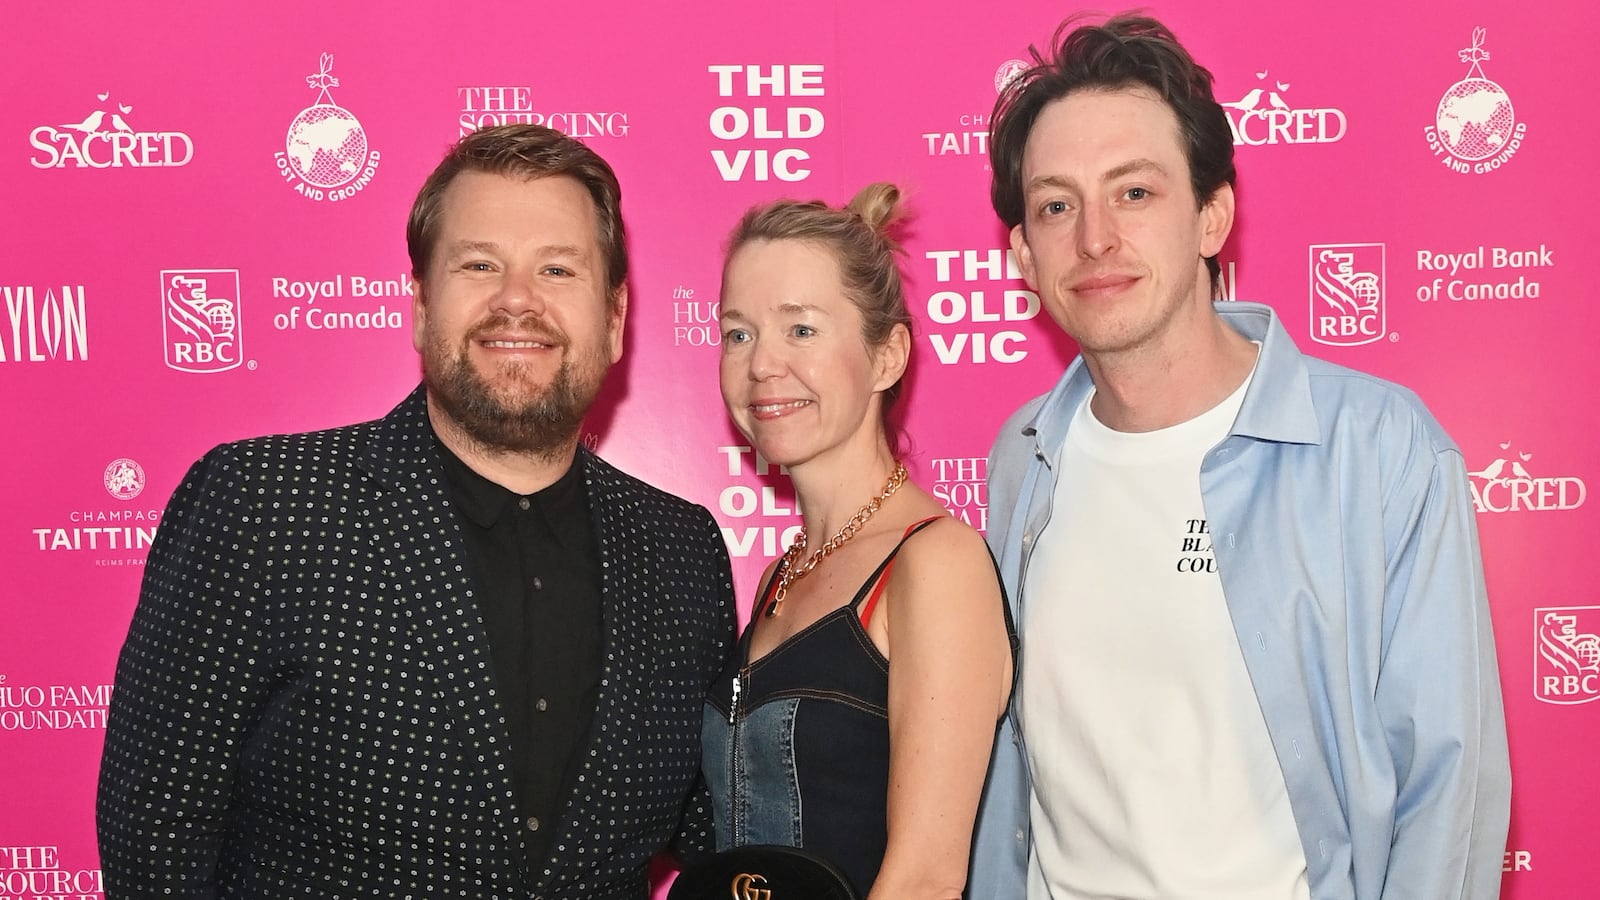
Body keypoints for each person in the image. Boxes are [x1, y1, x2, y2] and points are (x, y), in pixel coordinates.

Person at [96, 124, 736, 899]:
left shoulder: (680, 550)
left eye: (558, 268)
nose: (517, 301)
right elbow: (156, 836)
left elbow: (713, 839)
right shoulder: (262, 505)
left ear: (614, 317)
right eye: (479, 265)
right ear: (419, 304)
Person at [968, 14, 1510, 900]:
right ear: (1023, 253)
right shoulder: (1025, 459)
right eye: (1057, 205)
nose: (1095, 237)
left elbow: (1447, 785)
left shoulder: (1376, 448)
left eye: (1134, 192)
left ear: (1211, 214)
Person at [699, 183, 1015, 899]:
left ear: (887, 355)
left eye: (801, 329)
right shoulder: (781, 577)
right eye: (738, 332)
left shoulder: (936, 561)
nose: (761, 365)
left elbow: (925, 880)